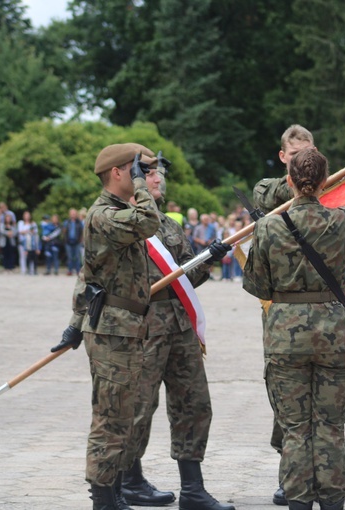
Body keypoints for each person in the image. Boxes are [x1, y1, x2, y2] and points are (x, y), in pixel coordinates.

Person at [243, 148, 345, 510]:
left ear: (289, 182)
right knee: (330, 426)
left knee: (296, 428)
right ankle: (333, 501)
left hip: (286, 336)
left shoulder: (269, 226)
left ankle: (298, 501)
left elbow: (258, 286)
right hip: (335, 333)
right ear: (326, 181)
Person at [51, 143, 162, 510]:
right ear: (119, 173)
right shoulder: (103, 215)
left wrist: (74, 320)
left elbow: (89, 275)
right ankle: (102, 499)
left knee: (123, 416)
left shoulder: (117, 212)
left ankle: (113, 492)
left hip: (125, 328)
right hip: (113, 330)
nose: (145, 178)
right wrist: (142, 187)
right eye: (139, 171)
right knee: (110, 418)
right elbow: (149, 221)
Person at [121, 156, 233, 510]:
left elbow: (188, 276)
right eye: (150, 173)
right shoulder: (123, 223)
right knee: (139, 406)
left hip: (180, 326)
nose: (159, 178)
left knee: (194, 404)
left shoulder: (168, 225)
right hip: (144, 326)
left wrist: (208, 257)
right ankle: (128, 480)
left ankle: (193, 490)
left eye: (159, 172)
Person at [252, 124, 316, 506]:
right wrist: (302, 176)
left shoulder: (330, 190)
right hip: (282, 313)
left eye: (308, 155)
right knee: (286, 398)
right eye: (295, 157)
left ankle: (323, 472)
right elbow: (275, 194)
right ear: (283, 157)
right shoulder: (267, 188)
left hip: (324, 308)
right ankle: (290, 474)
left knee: (325, 399)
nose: (302, 163)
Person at [63, 208, 84, 276]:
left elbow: (82, 231)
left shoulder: (79, 222)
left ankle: (78, 271)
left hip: (77, 242)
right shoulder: (66, 222)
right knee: (70, 257)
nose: (73, 215)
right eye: (72, 213)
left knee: (77, 257)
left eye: (74, 214)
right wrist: (65, 239)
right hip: (68, 242)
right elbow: (64, 231)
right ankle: (70, 270)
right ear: (69, 214)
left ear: (76, 214)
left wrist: (81, 239)